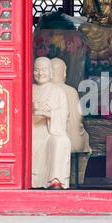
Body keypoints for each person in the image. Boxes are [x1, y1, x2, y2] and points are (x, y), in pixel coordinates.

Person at [32, 57, 71, 189]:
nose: (40, 74)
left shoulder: (58, 91)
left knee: (60, 142)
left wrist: (49, 114)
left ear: (50, 72)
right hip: (32, 130)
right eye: (36, 70)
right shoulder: (29, 90)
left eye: (43, 70)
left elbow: (64, 113)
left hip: (51, 130)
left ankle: (55, 179)